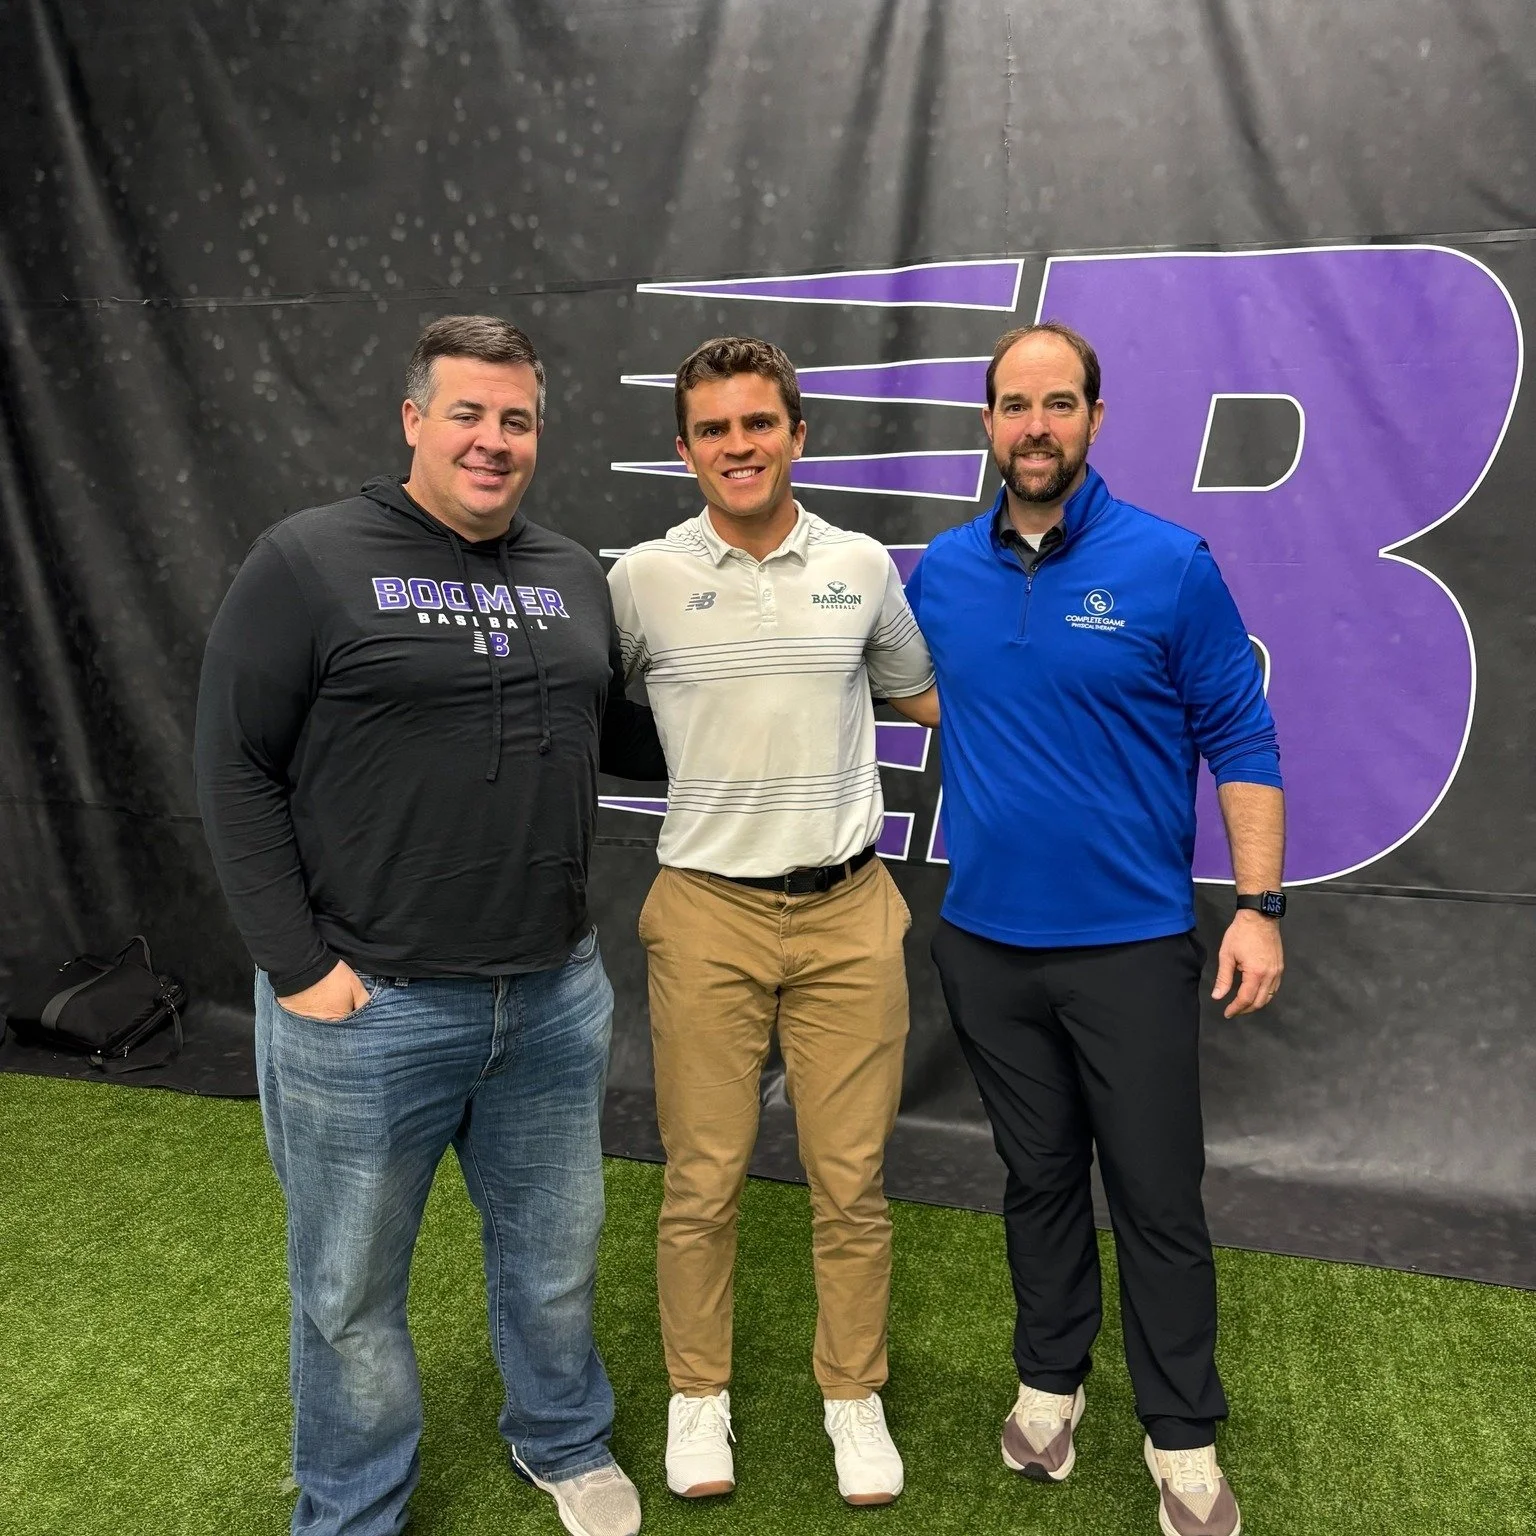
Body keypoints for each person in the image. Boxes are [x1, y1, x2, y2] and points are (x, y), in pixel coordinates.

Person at [194, 315, 666, 1536]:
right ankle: (354, 1506)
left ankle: (561, 1439)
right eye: (468, 414)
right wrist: (300, 969)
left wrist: (774, 678)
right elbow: (233, 769)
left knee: (555, 1262)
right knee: (349, 1294)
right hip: (371, 1005)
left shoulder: (573, 573)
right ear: (414, 419)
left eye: (516, 420)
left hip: (553, 996)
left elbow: (632, 742)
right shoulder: (308, 559)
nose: (493, 441)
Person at [906, 322, 1284, 1536]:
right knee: (1037, 1179)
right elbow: (910, 689)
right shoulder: (942, 575)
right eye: (1013, 406)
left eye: (1058, 404)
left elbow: (1245, 737)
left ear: (1096, 418)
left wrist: (1260, 907)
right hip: (984, 944)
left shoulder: (1170, 565)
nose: (1035, 427)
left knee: (1159, 1196)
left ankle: (1182, 1439)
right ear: (988, 424)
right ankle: (1049, 1382)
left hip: (1129, 947)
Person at [607, 336, 939, 1508]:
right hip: (704, 916)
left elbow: (930, 694)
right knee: (702, 1179)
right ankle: (700, 1396)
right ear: (685, 447)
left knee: (852, 1184)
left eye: (758, 424)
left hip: (850, 911)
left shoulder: (860, 566)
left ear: (798, 433)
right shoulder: (640, 578)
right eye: (713, 430)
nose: (738, 447)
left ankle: (853, 1395)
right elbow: (582, 712)